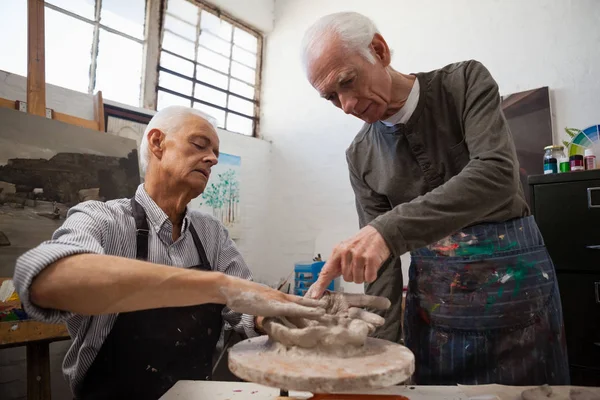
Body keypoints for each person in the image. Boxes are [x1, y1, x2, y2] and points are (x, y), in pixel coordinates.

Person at [301, 12, 569, 385]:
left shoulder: (463, 83)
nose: (346, 105)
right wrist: (380, 352)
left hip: (515, 294)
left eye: (347, 82)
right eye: (331, 97)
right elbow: (382, 269)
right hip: (435, 312)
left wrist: (386, 231)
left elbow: (497, 175)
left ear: (378, 51)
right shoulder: (360, 154)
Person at [12, 106, 324, 399]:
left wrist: (267, 317)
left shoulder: (210, 233)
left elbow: (243, 309)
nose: (212, 159)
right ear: (158, 143)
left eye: (215, 152)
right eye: (200, 145)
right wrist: (219, 287)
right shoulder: (101, 220)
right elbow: (45, 280)